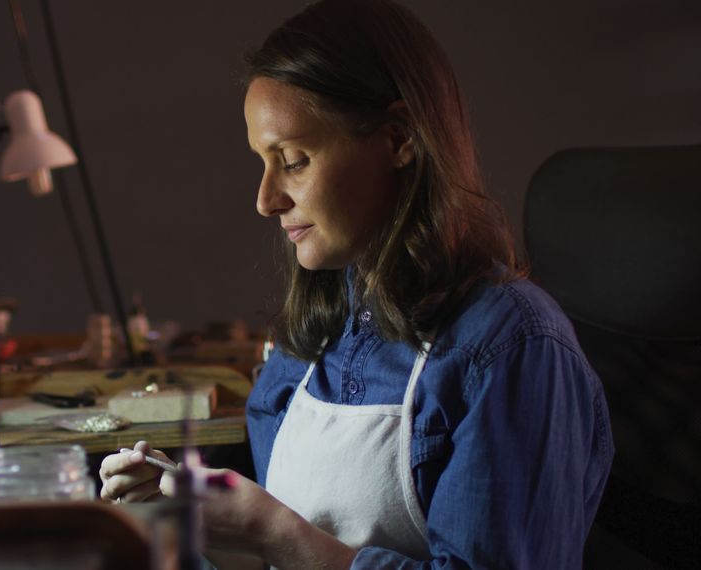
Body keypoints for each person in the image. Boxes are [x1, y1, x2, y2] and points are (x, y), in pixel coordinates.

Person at [99, 0, 613, 567]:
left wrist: (275, 533)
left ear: (397, 139)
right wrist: (192, 512)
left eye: (293, 160)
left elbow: (288, 540)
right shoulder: (305, 347)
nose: (266, 200)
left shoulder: (512, 347)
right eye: (262, 162)